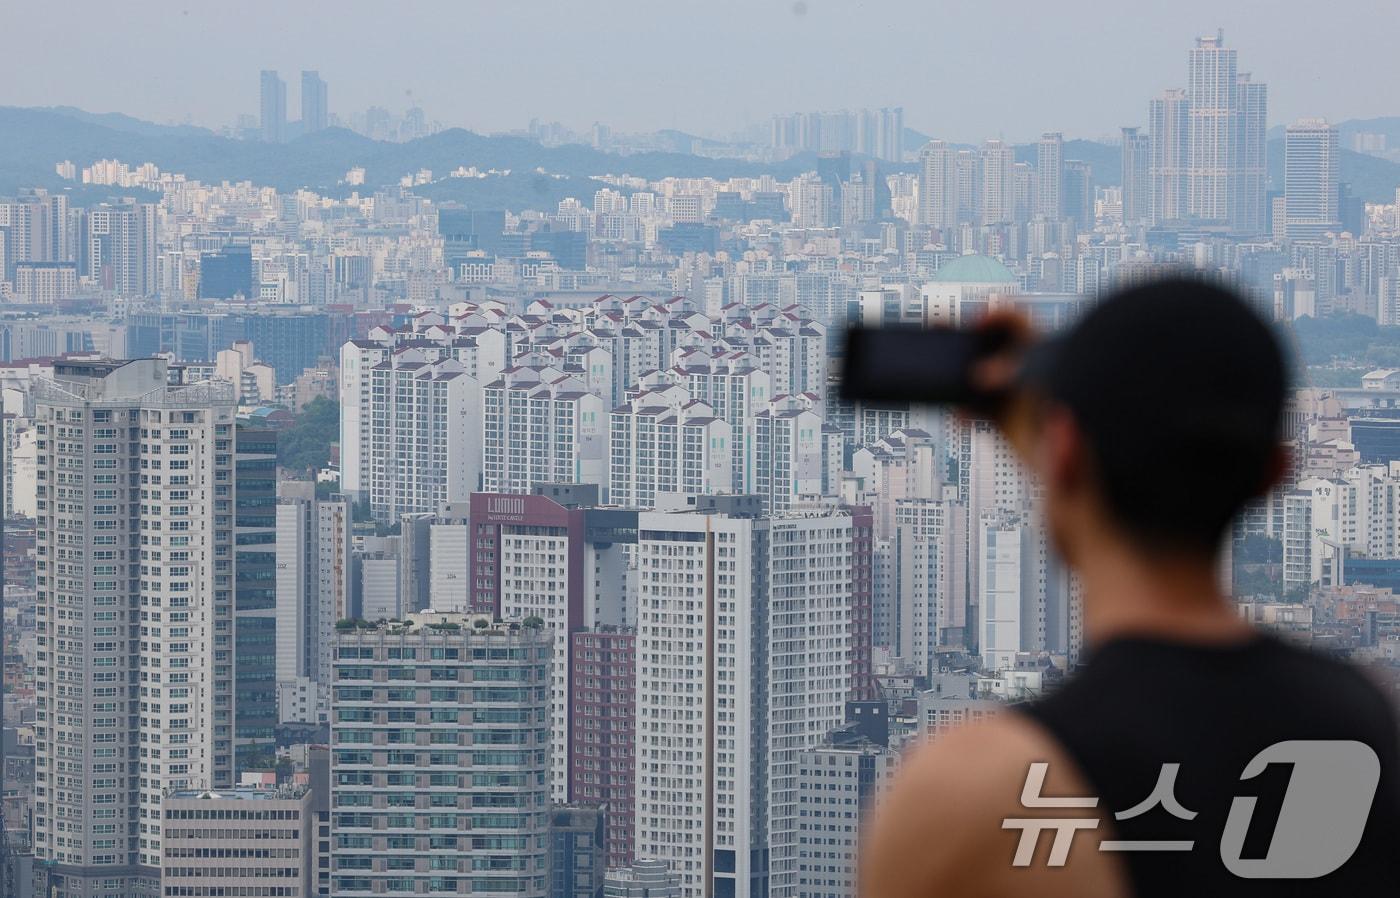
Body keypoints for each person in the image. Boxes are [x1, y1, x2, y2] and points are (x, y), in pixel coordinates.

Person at [860, 279, 1400, 898]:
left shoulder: (977, 792)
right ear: (1275, 475)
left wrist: (1050, 433)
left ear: (1064, 451)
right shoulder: (1367, 728)